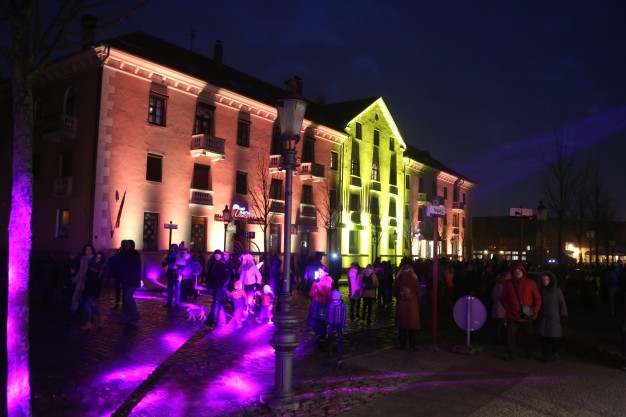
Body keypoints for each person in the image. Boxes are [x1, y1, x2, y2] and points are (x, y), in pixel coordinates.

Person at [500, 263, 542, 361]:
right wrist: (508, 308)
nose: (517, 273)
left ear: (523, 272)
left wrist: (534, 311)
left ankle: (528, 353)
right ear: (512, 273)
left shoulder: (530, 283)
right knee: (510, 336)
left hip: (526, 315)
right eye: (515, 271)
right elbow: (502, 298)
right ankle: (511, 354)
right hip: (512, 314)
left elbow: (538, 299)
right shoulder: (508, 284)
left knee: (529, 335)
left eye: (519, 271)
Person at [536, 270, 568, 362]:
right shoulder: (540, 291)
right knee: (543, 338)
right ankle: (546, 355)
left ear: (551, 280)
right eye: (543, 279)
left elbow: (562, 303)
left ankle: (555, 351)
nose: (545, 281)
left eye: (547, 279)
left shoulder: (557, 291)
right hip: (543, 318)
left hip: (554, 318)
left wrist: (563, 315)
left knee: (554, 338)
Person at [392, 264, 421, 351]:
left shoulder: (398, 280)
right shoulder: (414, 280)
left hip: (401, 306)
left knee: (402, 328)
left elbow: (394, 293)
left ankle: (402, 345)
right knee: (412, 327)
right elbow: (419, 293)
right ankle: (412, 346)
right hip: (412, 307)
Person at [307, 265, 333, 350]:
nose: (319, 273)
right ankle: (319, 335)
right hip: (315, 303)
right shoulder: (317, 280)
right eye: (318, 272)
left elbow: (323, 292)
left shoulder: (328, 281)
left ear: (325, 273)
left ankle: (322, 338)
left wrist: (317, 284)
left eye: (321, 272)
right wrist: (314, 286)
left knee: (322, 322)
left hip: (323, 304)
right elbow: (311, 293)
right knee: (311, 321)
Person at [81, 251, 106, 330]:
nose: (97, 259)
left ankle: (88, 323)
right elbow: (87, 275)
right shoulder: (91, 263)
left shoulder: (102, 267)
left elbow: (100, 280)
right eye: (96, 257)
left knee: (87, 304)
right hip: (88, 287)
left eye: (99, 258)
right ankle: (101, 316)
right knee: (90, 305)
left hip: (94, 288)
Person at [119, 239, 142, 324]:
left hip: (131, 280)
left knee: (127, 297)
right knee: (126, 298)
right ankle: (128, 317)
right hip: (127, 280)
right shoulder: (126, 254)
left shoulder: (132, 254)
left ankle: (135, 315)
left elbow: (130, 267)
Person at [205, 249, 230, 327]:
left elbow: (227, 276)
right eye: (215, 255)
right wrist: (208, 284)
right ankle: (222, 320)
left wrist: (223, 286)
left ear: (220, 255)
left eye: (218, 254)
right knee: (217, 303)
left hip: (219, 287)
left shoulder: (223, 264)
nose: (217, 256)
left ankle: (211, 321)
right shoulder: (213, 263)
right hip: (214, 286)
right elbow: (210, 275)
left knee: (216, 303)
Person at [71, 244, 95, 315]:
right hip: (80, 282)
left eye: (90, 249)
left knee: (85, 300)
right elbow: (80, 271)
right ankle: (73, 311)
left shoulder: (93, 259)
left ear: (92, 250)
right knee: (75, 297)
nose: (88, 251)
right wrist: (75, 280)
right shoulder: (82, 259)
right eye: (87, 249)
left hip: (87, 283)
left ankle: (88, 314)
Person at [491, 271, 509, 345]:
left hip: (496, 309)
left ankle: (497, 338)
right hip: (501, 310)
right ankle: (498, 339)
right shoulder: (502, 289)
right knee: (500, 326)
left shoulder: (496, 288)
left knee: (497, 325)